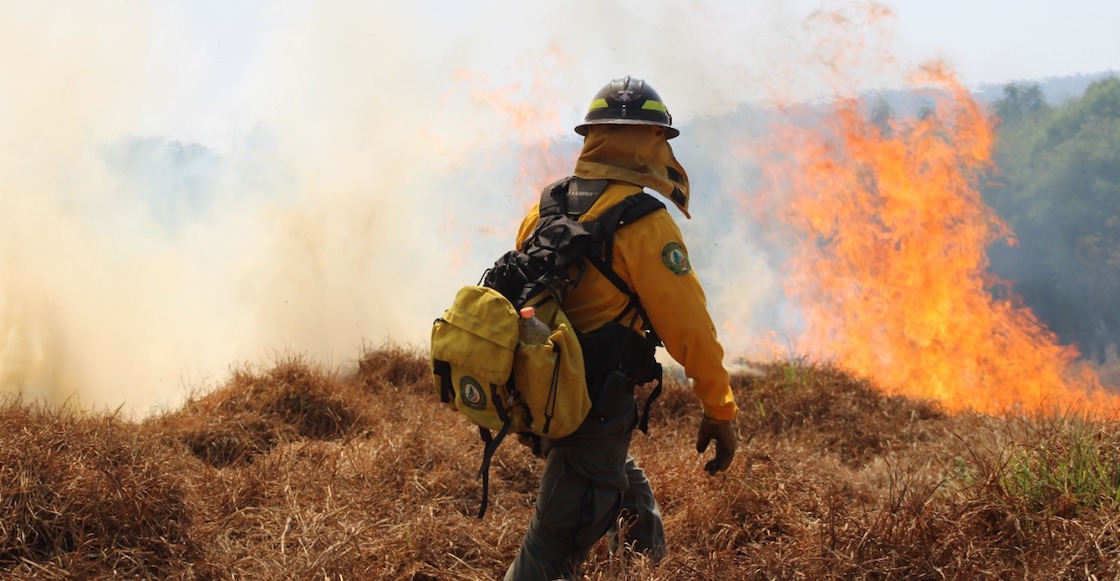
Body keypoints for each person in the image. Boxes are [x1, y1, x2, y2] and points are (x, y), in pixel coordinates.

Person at [504, 75, 740, 581]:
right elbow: (689, 327)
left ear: (593, 137)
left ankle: (648, 568)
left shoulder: (546, 206)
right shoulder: (643, 221)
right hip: (595, 402)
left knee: (620, 484)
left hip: (541, 387)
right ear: (653, 141)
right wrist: (719, 409)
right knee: (552, 550)